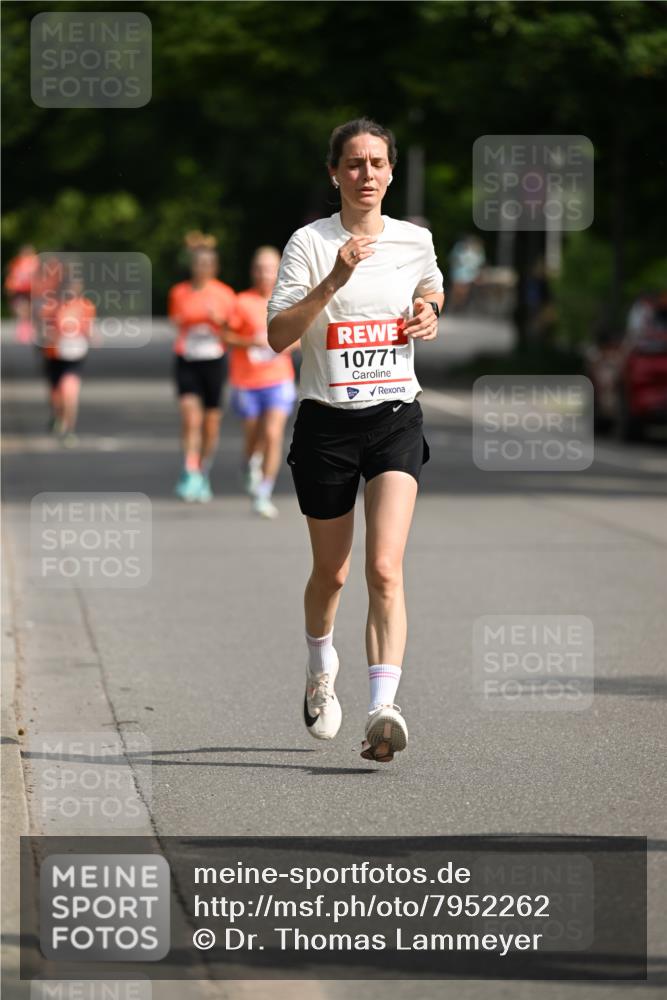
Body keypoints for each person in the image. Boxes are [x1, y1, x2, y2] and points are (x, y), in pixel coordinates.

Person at [267, 117, 444, 763]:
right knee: (333, 573)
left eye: (376, 163)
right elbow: (277, 336)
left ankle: (382, 710)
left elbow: (431, 289)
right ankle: (321, 666)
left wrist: (429, 312)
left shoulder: (414, 240)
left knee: (384, 568)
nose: (365, 173)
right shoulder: (310, 244)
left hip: (395, 416)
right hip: (327, 424)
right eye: (353, 163)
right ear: (334, 173)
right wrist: (333, 281)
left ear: (390, 172)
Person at [225, 246, 297, 518]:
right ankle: (249, 462)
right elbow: (225, 336)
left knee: (273, 434)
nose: (264, 274)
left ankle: (264, 491)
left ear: (278, 270)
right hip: (247, 381)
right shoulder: (241, 302)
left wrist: (283, 344)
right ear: (252, 271)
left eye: (269, 268)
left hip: (278, 380)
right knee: (253, 437)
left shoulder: (288, 301)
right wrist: (250, 342)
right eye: (259, 268)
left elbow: (302, 337)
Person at [168, 233, 236, 502]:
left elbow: (233, 329)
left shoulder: (225, 294)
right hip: (187, 359)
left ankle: (203, 471)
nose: (202, 268)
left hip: (214, 361)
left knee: (210, 422)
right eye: (198, 264)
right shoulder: (179, 292)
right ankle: (189, 469)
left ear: (215, 267)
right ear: (192, 267)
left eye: (207, 264)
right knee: (189, 417)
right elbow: (175, 321)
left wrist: (218, 321)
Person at [41, 273, 96, 446]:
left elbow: (89, 329)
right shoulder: (51, 306)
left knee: (70, 391)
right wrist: (53, 336)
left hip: (74, 356)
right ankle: (58, 416)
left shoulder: (86, 306)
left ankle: (69, 430)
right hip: (55, 355)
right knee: (56, 394)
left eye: (76, 287)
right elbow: (44, 330)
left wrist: (90, 337)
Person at [4, 243, 40, 343]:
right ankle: (25, 333)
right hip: (21, 292)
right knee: (24, 313)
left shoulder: (33, 263)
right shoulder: (18, 263)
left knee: (28, 313)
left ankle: (27, 333)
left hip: (29, 292)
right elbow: (12, 279)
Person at [449, 234, 485, 313]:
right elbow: (454, 260)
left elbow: (478, 264)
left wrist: (477, 275)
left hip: (469, 276)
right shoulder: (459, 248)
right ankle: (455, 306)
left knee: (464, 291)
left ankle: (461, 307)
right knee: (457, 291)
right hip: (459, 274)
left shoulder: (477, 251)